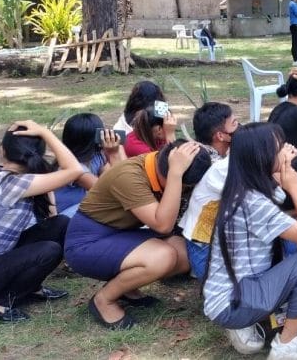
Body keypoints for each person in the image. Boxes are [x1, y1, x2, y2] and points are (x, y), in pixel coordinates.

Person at [203, 123, 297, 359]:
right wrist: (294, 187)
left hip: (238, 289)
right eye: (278, 148)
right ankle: (287, 345)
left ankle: (255, 324)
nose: (285, 151)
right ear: (261, 157)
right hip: (231, 301)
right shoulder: (251, 201)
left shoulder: (247, 187)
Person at [65, 140, 211, 329]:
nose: (185, 191)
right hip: (86, 244)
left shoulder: (159, 165)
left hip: (120, 235)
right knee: (163, 256)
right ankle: (104, 300)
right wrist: (176, 174)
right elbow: (163, 225)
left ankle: (126, 288)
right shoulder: (130, 175)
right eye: (186, 186)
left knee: (184, 251)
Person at [0, 121, 84, 322]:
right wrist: (44, 133)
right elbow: (75, 169)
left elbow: (52, 180)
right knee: (49, 250)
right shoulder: (14, 183)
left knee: (60, 224)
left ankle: (30, 287)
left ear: (2, 150)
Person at [54, 113, 126, 217]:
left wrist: (118, 149)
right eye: (101, 132)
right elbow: (112, 191)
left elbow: (118, 180)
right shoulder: (74, 168)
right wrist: (114, 154)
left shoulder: (96, 157)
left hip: (80, 207)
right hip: (65, 214)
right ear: (93, 139)